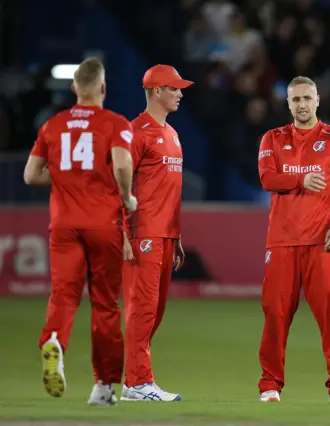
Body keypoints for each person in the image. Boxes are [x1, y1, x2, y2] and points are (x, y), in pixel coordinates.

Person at [24, 57, 137, 405]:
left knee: (63, 295)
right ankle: (103, 387)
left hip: (64, 224)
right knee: (105, 305)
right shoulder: (116, 124)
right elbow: (121, 164)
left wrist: (62, 179)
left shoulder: (52, 126)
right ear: (102, 88)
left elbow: (31, 175)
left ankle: (53, 341)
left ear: (74, 88)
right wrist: (127, 196)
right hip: (104, 225)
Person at [257, 76, 330, 403]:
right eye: (295, 99)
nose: (302, 104)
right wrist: (302, 179)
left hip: (322, 243)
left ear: (317, 101)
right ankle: (270, 385)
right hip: (282, 242)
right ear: (288, 104)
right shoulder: (272, 138)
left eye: (307, 98)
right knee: (275, 316)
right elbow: (267, 178)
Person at [120, 64, 192, 402]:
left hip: (165, 235)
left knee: (156, 312)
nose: (180, 93)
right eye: (174, 88)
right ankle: (138, 383)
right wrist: (122, 236)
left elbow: (169, 191)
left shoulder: (172, 134)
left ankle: (135, 379)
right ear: (157, 91)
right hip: (142, 234)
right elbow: (116, 187)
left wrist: (176, 237)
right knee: (142, 310)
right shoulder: (135, 132)